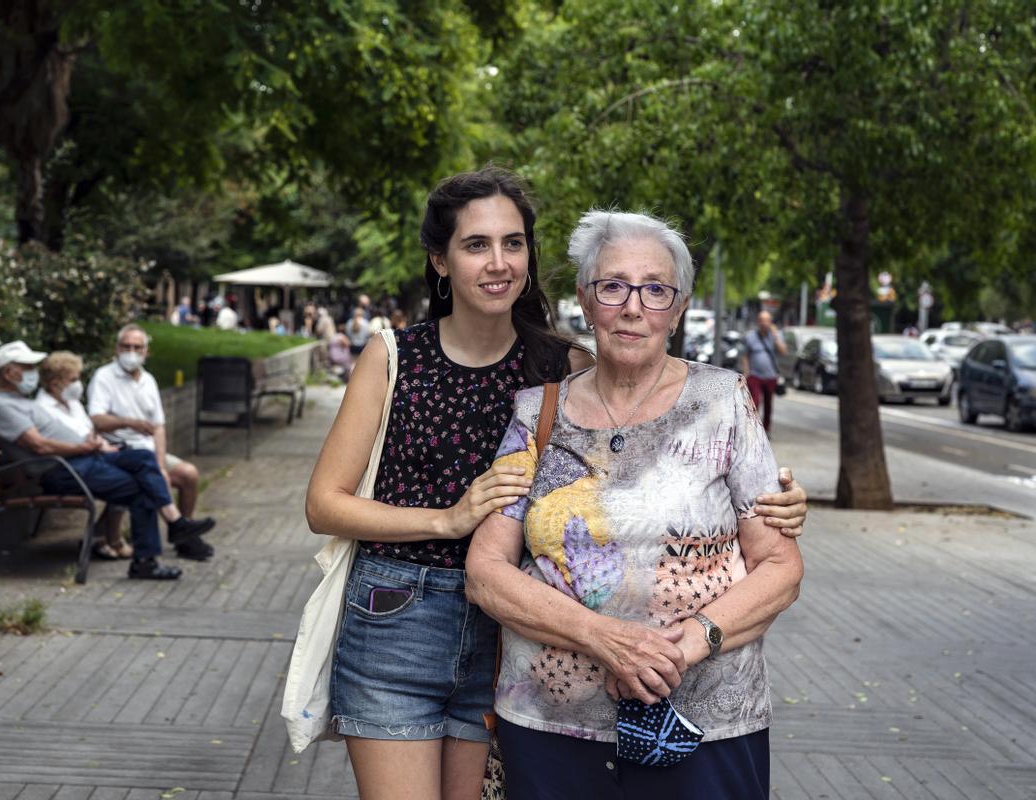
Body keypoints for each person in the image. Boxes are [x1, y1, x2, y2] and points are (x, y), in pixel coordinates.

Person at [304, 168, 809, 800]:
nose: (498, 262)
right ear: (440, 260)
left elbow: (765, 547)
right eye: (475, 244)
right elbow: (328, 506)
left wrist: (778, 504)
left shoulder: (563, 365)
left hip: (505, 639)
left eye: (513, 244)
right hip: (405, 616)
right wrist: (446, 520)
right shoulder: (422, 363)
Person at [465, 211, 804, 798]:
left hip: (705, 725)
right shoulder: (535, 414)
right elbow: (486, 571)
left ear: (678, 308)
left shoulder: (723, 402)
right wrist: (605, 639)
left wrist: (686, 644)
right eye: (613, 286)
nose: (632, 307)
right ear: (586, 300)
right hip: (552, 726)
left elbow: (780, 566)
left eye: (655, 290)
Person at [0, 341, 215, 580]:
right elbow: (39, 445)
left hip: (84, 458)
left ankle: (176, 524)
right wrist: (82, 447)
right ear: (9, 372)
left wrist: (91, 446)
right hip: (62, 469)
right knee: (142, 488)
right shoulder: (2, 406)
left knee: (143, 458)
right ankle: (147, 559)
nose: (33, 372)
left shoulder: (23, 401)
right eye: (27, 367)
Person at [88, 325, 213, 561]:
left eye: (137, 347)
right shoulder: (104, 377)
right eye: (126, 347)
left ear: (147, 351)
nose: (131, 352)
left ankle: (182, 533)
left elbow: (158, 428)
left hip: (148, 451)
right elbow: (97, 419)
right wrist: (129, 423)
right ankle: (174, 532)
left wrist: (161, 465)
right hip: (120, 451)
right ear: (116, 349)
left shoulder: (148, 380)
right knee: (146, 480)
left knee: (188, 474)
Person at [35, 351, 131, 560]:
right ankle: (110, 537)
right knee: (130, 478)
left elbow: (88, 431)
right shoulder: (42, 409)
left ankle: (104, 535)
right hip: (69, 467)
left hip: (90, 457)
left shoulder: (73, 404)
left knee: (135, 464)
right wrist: (93, 445)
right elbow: (62, 442)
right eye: (73, 379)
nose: (78, 384)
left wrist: (101, 444)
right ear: (54, 383)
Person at [740, 311, 786, 435]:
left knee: (768, 404)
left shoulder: (775, 335)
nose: (764, 323)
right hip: (755, 375)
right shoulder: (751, 336)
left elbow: (783, 351)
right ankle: (753, 428)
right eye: (762, 320)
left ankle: (766, 430)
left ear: (771, 322)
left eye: (767, 320)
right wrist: (746, 373)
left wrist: (775, 335)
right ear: (758, 322)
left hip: (771, 376)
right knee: (754, 402)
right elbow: (745, 355)